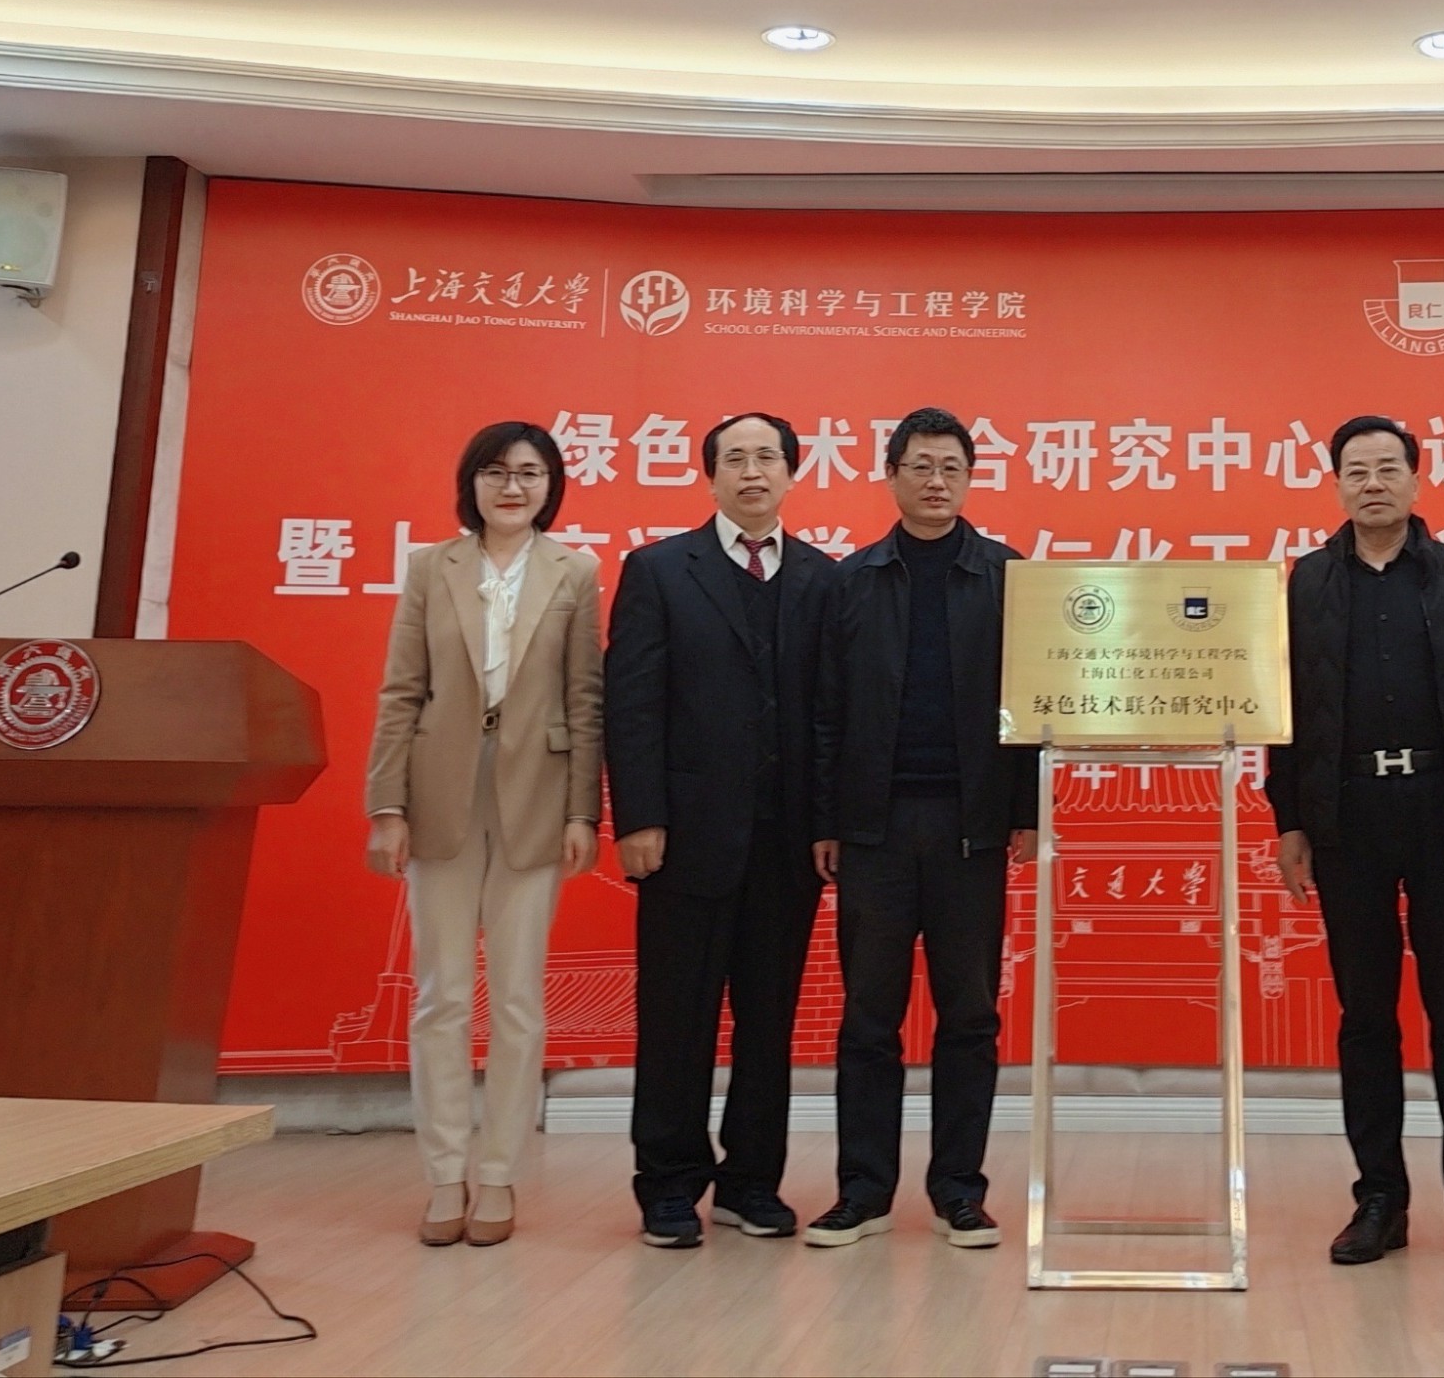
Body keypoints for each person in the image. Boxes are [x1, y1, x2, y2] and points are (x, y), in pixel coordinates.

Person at [1268, 415, 1444, 1274]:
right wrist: (1289, 820)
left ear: (1417, 480)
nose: (1373, 482)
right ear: (1337, 485)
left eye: (1389, 467)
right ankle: (1379, 1196)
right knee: (1366, 1015)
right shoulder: (1307, 582)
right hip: (1348, 818)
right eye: (1357, 470)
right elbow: (1284, 710)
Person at [364, 420, 601, 1248]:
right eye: (497, 472)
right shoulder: (433, 567)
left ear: (551, 485)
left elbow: (585, 697)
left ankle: (497, 1173)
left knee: (517, 998)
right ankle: (443, 1173)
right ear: (471, 482)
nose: (513, 486)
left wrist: (583, 810)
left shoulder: (575, 570)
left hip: (536, 794)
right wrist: (386, 805)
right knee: (441, 996)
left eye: (530, 473)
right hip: (441, 792)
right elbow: (401, 691)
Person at [604, 413, 838, 1249]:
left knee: (768, 1022)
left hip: (787, 843)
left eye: (766, 456)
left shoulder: (824, 578)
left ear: (791, 473)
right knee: (678, 1017)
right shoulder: (660, 569)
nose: (751, 470)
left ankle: (751, 1182)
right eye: (734, 457)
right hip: (684, 836)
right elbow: (632, 703)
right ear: (710, 476)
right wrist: (639, 816)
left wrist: (828, 823)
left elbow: (831, 714)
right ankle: (668, 1184)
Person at [808, 407, 1032, 1249]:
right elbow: (826, 714)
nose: (937, 481)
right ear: (892, 475)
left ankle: (959, 1191)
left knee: (968, 1015)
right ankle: (863, 1191)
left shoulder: (1009, 576)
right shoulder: (852, 581)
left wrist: (1025, 813)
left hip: (973, 827)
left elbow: (1035, 706)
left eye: (952, 467)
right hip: (874, 828)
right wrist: (828, 819)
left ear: (969, 478)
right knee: (870, 1015)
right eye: (921, 466)